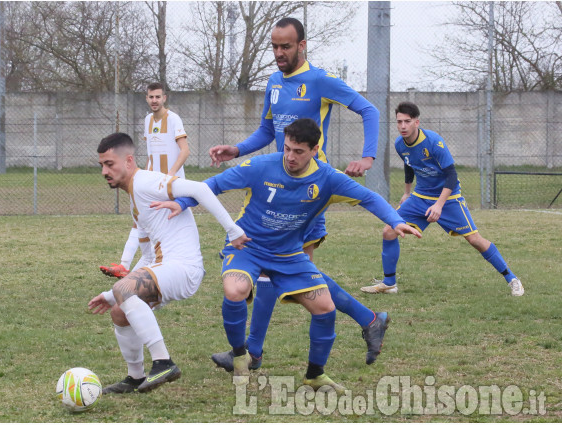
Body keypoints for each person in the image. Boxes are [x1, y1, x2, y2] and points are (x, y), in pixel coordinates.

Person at [154, 119, 421, 393]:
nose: (291, 156)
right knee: (235, 290)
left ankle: (315, 375)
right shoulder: (261, 166)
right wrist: (181, 202)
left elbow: (369, 198)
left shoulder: (327, 178)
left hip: (288, 255)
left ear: (315, 149)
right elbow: (212, 185)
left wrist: (394, 219)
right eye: (288, 149)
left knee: (325, 308)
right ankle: (240, 355)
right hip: (247, 246)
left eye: (299, 151)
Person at [207, 17, 383, 371]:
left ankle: (253, 353)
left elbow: (369, 109)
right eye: (274, 46)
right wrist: (237, 150)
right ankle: (369, 320)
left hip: (310, 193)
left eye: (286, 46)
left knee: (281, 272)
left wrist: (368, 156)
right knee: (298, 276)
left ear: (302, 45)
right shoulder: (274, 82)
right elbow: (266, 131)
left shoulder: (319, 80)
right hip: (283, 187)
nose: (279, 53)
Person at [88, 132, 249, 394]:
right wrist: (109, 295)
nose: (105, 171)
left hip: (184, 268)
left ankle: (163, 362)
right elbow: (150, 258)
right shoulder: (135, 200)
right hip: (167, 267)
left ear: (128, 161)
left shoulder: (145, 182)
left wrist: (233, 230)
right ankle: (135, 377)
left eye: (110, 164)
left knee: (124, 291)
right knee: (120, 309)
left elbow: (199, 189)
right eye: (102, 165)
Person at [361, 102, 524, 296]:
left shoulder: (433, 142)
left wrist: (439, 205)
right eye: (399, 122)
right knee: (389, 230)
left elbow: (451, 175)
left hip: (449, 198)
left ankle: (512, 278)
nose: (403, 126)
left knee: (474, 239)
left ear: (416, 122)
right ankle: (389, 284)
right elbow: (409, 165)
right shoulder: (399, 144)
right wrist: (406, 192)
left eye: (407, 121)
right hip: (420, 197)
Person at [99, 82, 190, 278]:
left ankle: (164, 270)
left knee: (165, 230)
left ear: (164, 98)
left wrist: (171, 174)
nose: (154, 100)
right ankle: (125, 267)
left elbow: (185, 150)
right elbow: (152, 153)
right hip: (150, 182)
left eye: (158, 97)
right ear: (146, 99)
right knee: (139, 220)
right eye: (151, 97)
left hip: (168, 185)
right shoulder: (148, 120)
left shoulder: (173, 119)